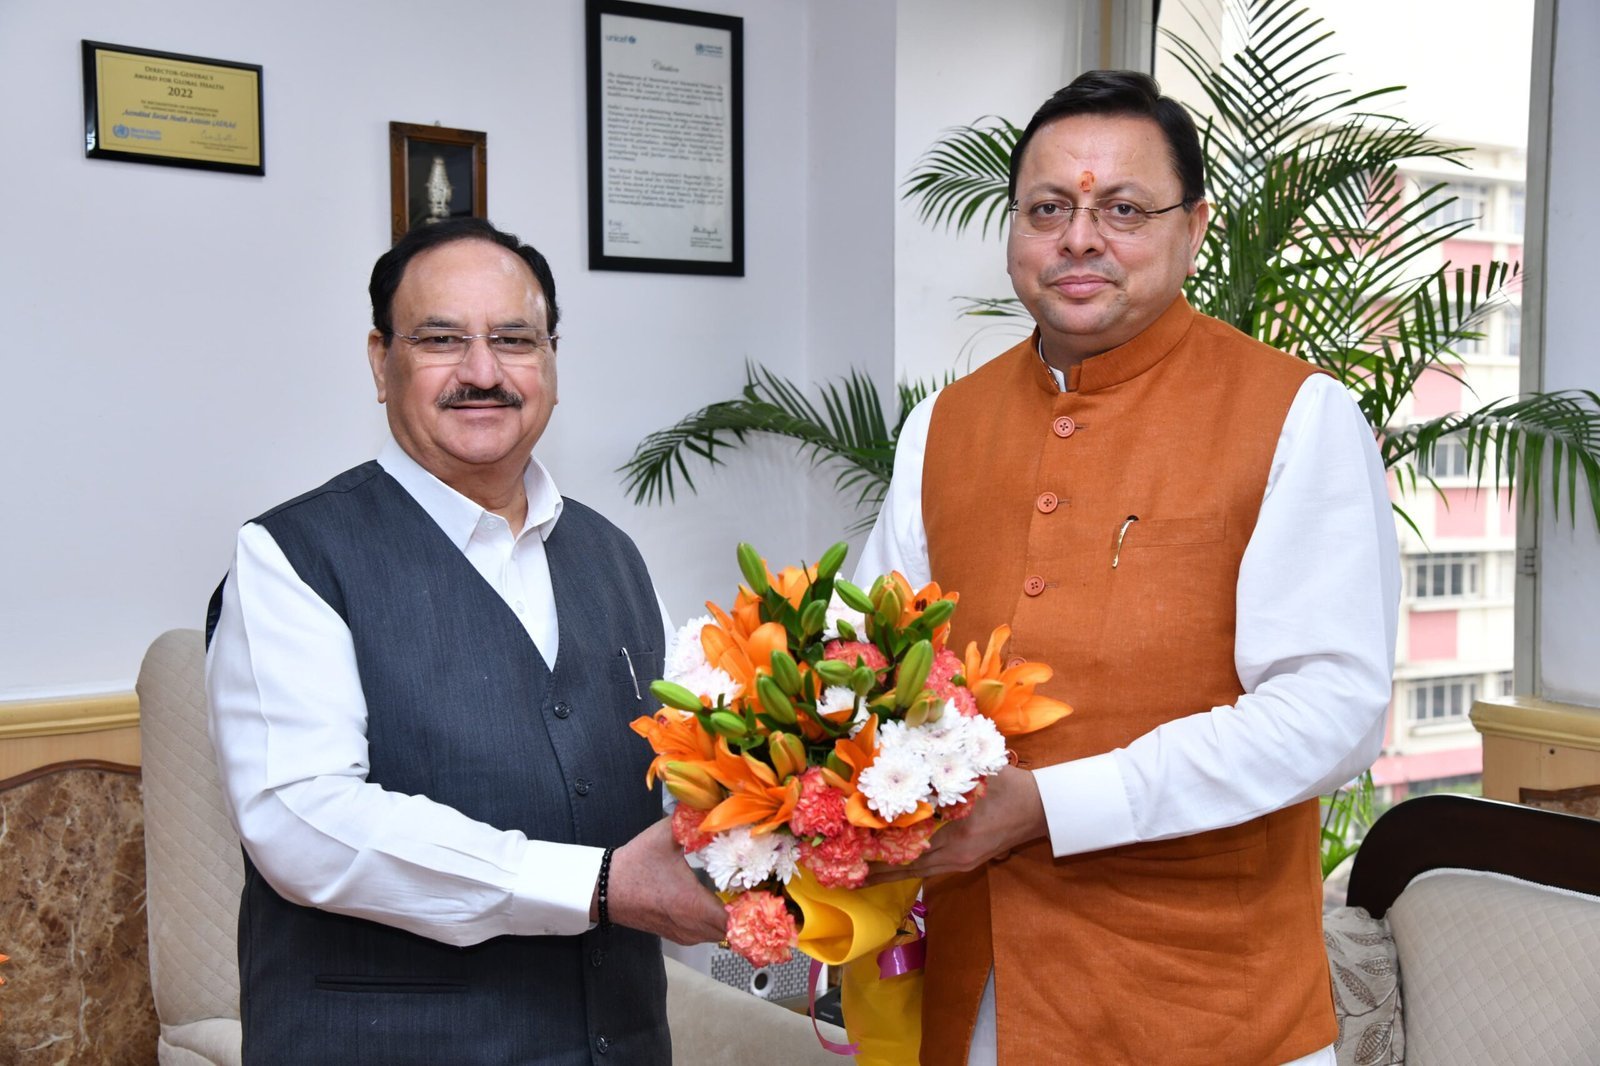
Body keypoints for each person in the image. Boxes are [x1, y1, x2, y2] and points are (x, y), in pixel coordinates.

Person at [858, 71, 1400, 1066]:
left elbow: (1330, 712)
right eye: (1048, 209)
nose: (1079, 238)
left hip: (1209, 1007)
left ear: (1194, 229)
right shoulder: (943, 426)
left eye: (1123, 209)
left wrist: (1053, 806)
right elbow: (870, 661)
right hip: (981, 995)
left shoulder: (1294, 413)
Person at [205, 217, 726, 1064]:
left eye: (514, 340)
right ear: (381, 361)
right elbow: (304, 822)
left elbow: (687, 772)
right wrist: (593, 886)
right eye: (442, 339)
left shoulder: (615, 556)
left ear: (550, 362)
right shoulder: (293, 556)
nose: (483, 372)